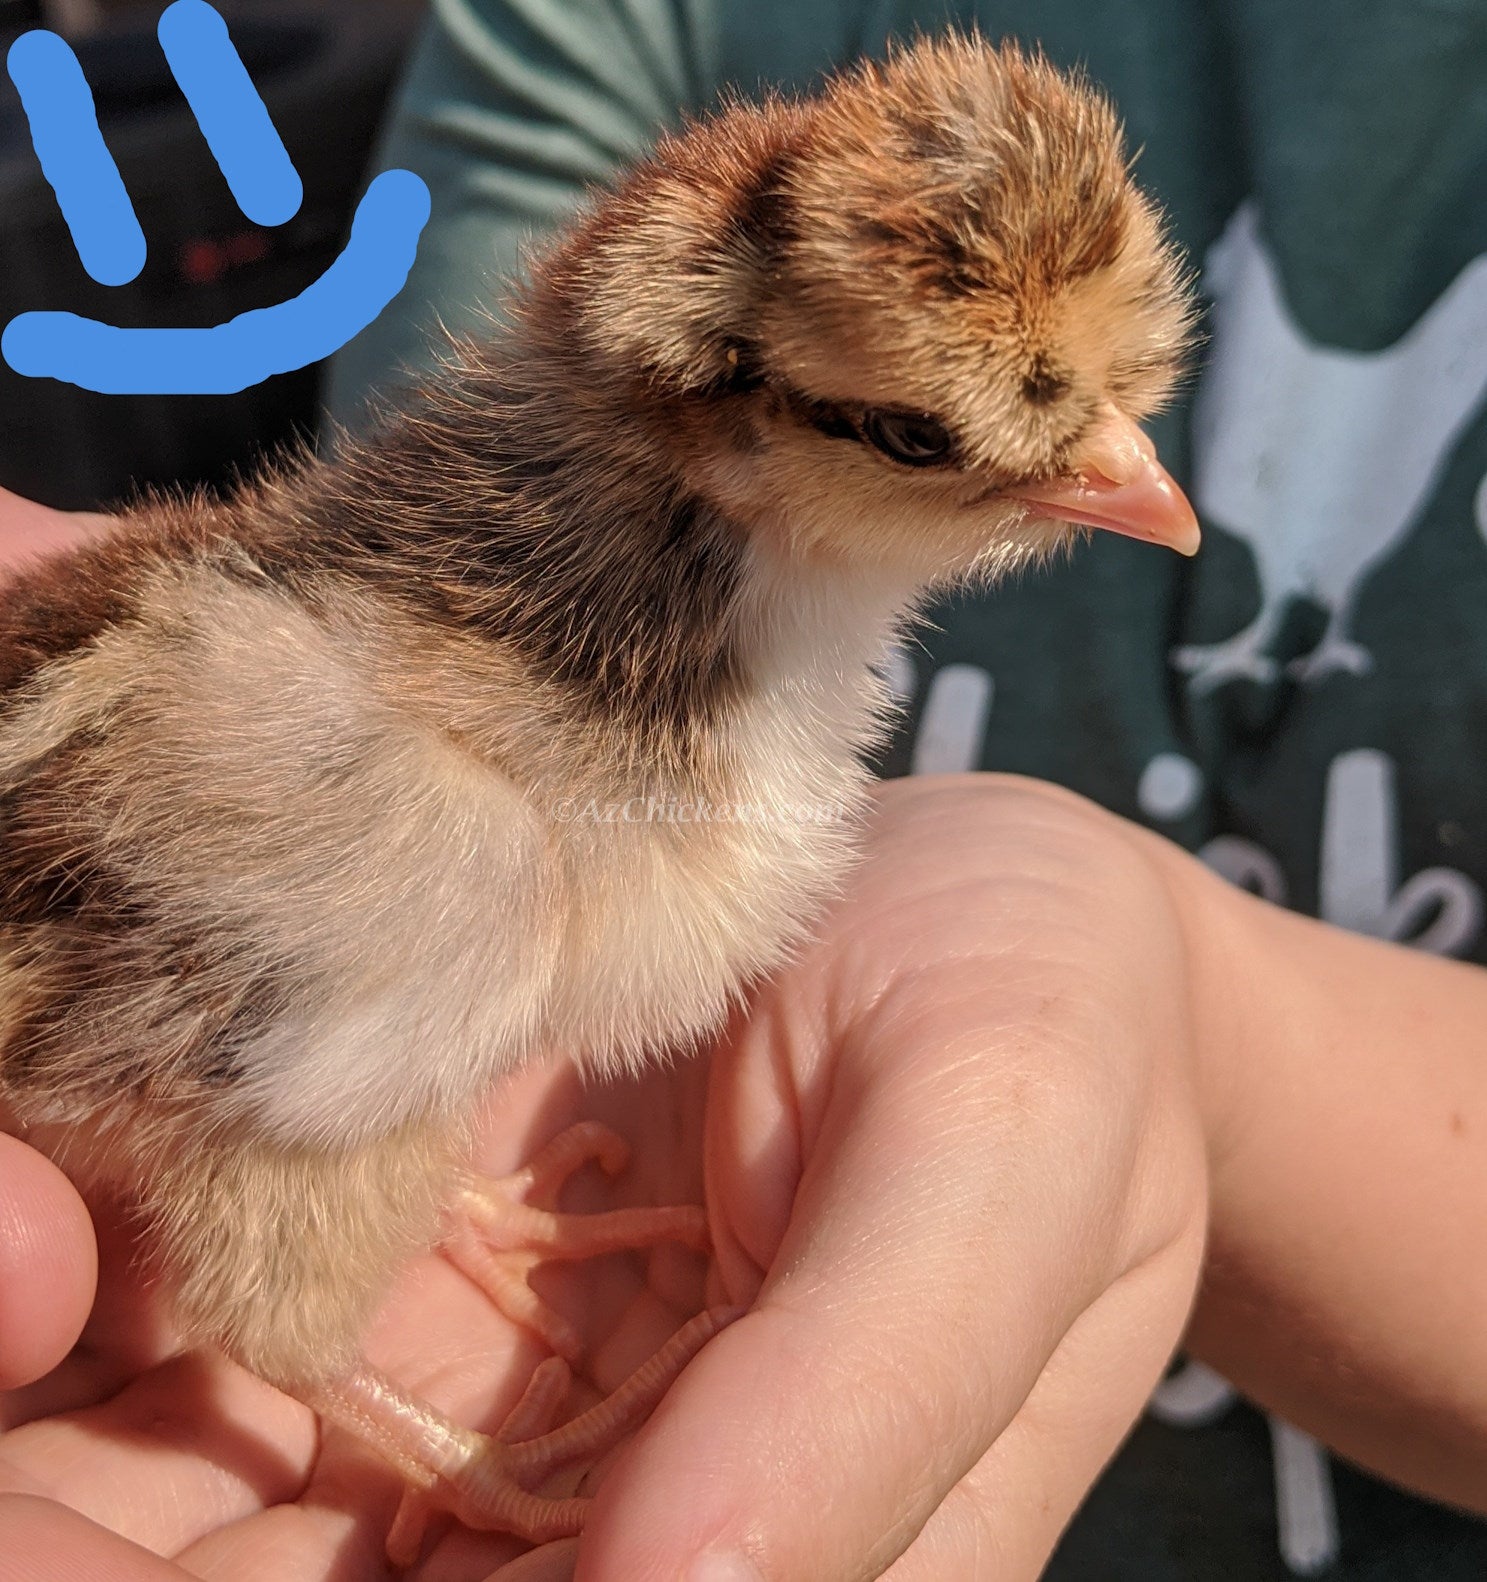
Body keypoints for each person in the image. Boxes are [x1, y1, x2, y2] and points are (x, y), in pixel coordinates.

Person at [2, 2, 1486, 1580]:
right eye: (930, 436)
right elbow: (224, 1100)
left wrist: (1194, 1030)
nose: (1126, 473)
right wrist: (444, 1440)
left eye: (1117, 394)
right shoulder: (402, 789)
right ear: (711, 414)